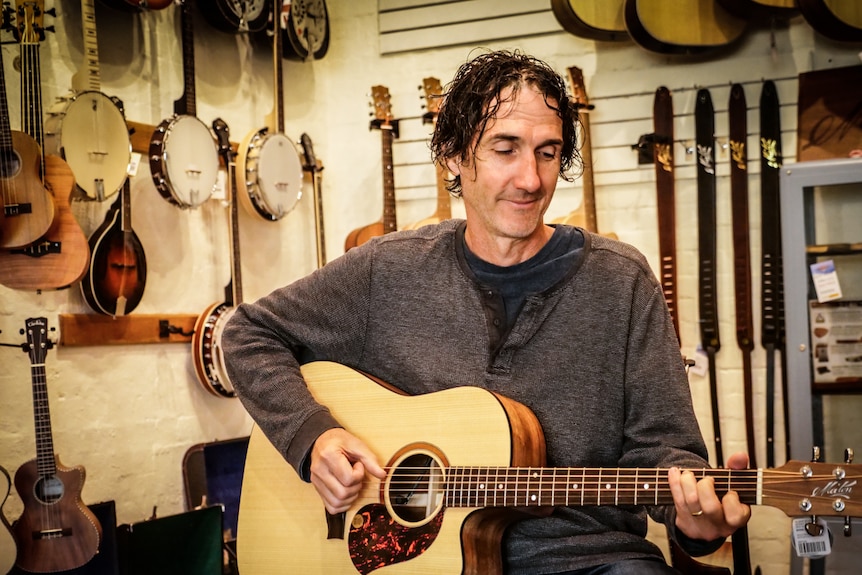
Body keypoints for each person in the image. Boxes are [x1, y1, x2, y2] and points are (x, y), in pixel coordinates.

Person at [222, 49, 751, 575]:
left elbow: (665, 455)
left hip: (589, 562)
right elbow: (248, 332)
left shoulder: (622, 281)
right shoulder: (388, 269)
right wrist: (315, 437)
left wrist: (695, 523)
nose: (531, 179)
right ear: (453, 154)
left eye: (548, 152)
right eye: (506, 149)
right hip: (415, 564)